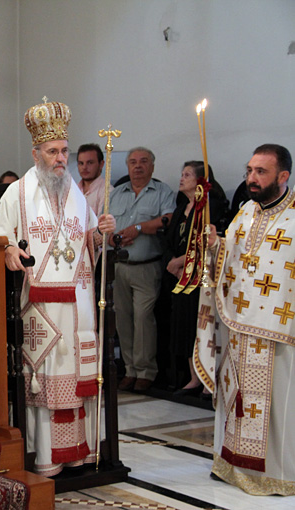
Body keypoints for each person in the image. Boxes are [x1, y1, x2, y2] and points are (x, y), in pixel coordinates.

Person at [0, 100, 115, 476]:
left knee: (78, 378)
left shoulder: (76, 192)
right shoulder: (17, 193)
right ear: (35, 153)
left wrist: (101, 232)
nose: (61, 158)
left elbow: (88, 241)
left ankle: (80, 453)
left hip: (79, 306)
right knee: (43, 380)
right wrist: (8, 250)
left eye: (64, 151)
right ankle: (46, 457)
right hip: (40, 308)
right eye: (52, 152)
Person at [198, 144, 295, 495]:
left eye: (261, 172)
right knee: (235, 397)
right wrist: (215, 246)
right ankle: (231, 464)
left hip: (279, 332)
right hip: (238, 324)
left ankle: (278, 474)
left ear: (283, 176)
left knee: (279, 406)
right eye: (249, 170)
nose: (251, 178)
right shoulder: (245, 212)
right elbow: (234, 257)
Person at [109, 147, 175, 392]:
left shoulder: (162, 192)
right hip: (119, 266)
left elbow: (168, 218)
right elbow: (104, 225)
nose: (138, 166)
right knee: (123, 320)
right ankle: (129, 370)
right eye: (133, 162)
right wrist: (112, 238)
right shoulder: (116, 193)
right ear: (127, 166)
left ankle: (146, 371)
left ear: (152, 166)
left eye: (143, 161)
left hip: (147, 267)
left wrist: (138, 228)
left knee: (143, 319)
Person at [164, 161, 225, 395]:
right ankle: (193, 377)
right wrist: (173, 263)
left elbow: (205, 242)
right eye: (182, 174)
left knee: (200, 325)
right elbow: (170, 240)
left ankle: (207, 376)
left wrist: (182, 262)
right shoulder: (182, 207)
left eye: (187, 175)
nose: (181, 179)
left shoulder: (210, 207)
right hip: (180, 276)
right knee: (184, 326)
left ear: (201, 180)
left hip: (201, 276)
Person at [76, 143, 109, 216]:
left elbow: (101, 222)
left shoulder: (107, 191)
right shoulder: (73, 189)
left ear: (101, 164)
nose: (84, 167)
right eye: (81, 163)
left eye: (90, 163)